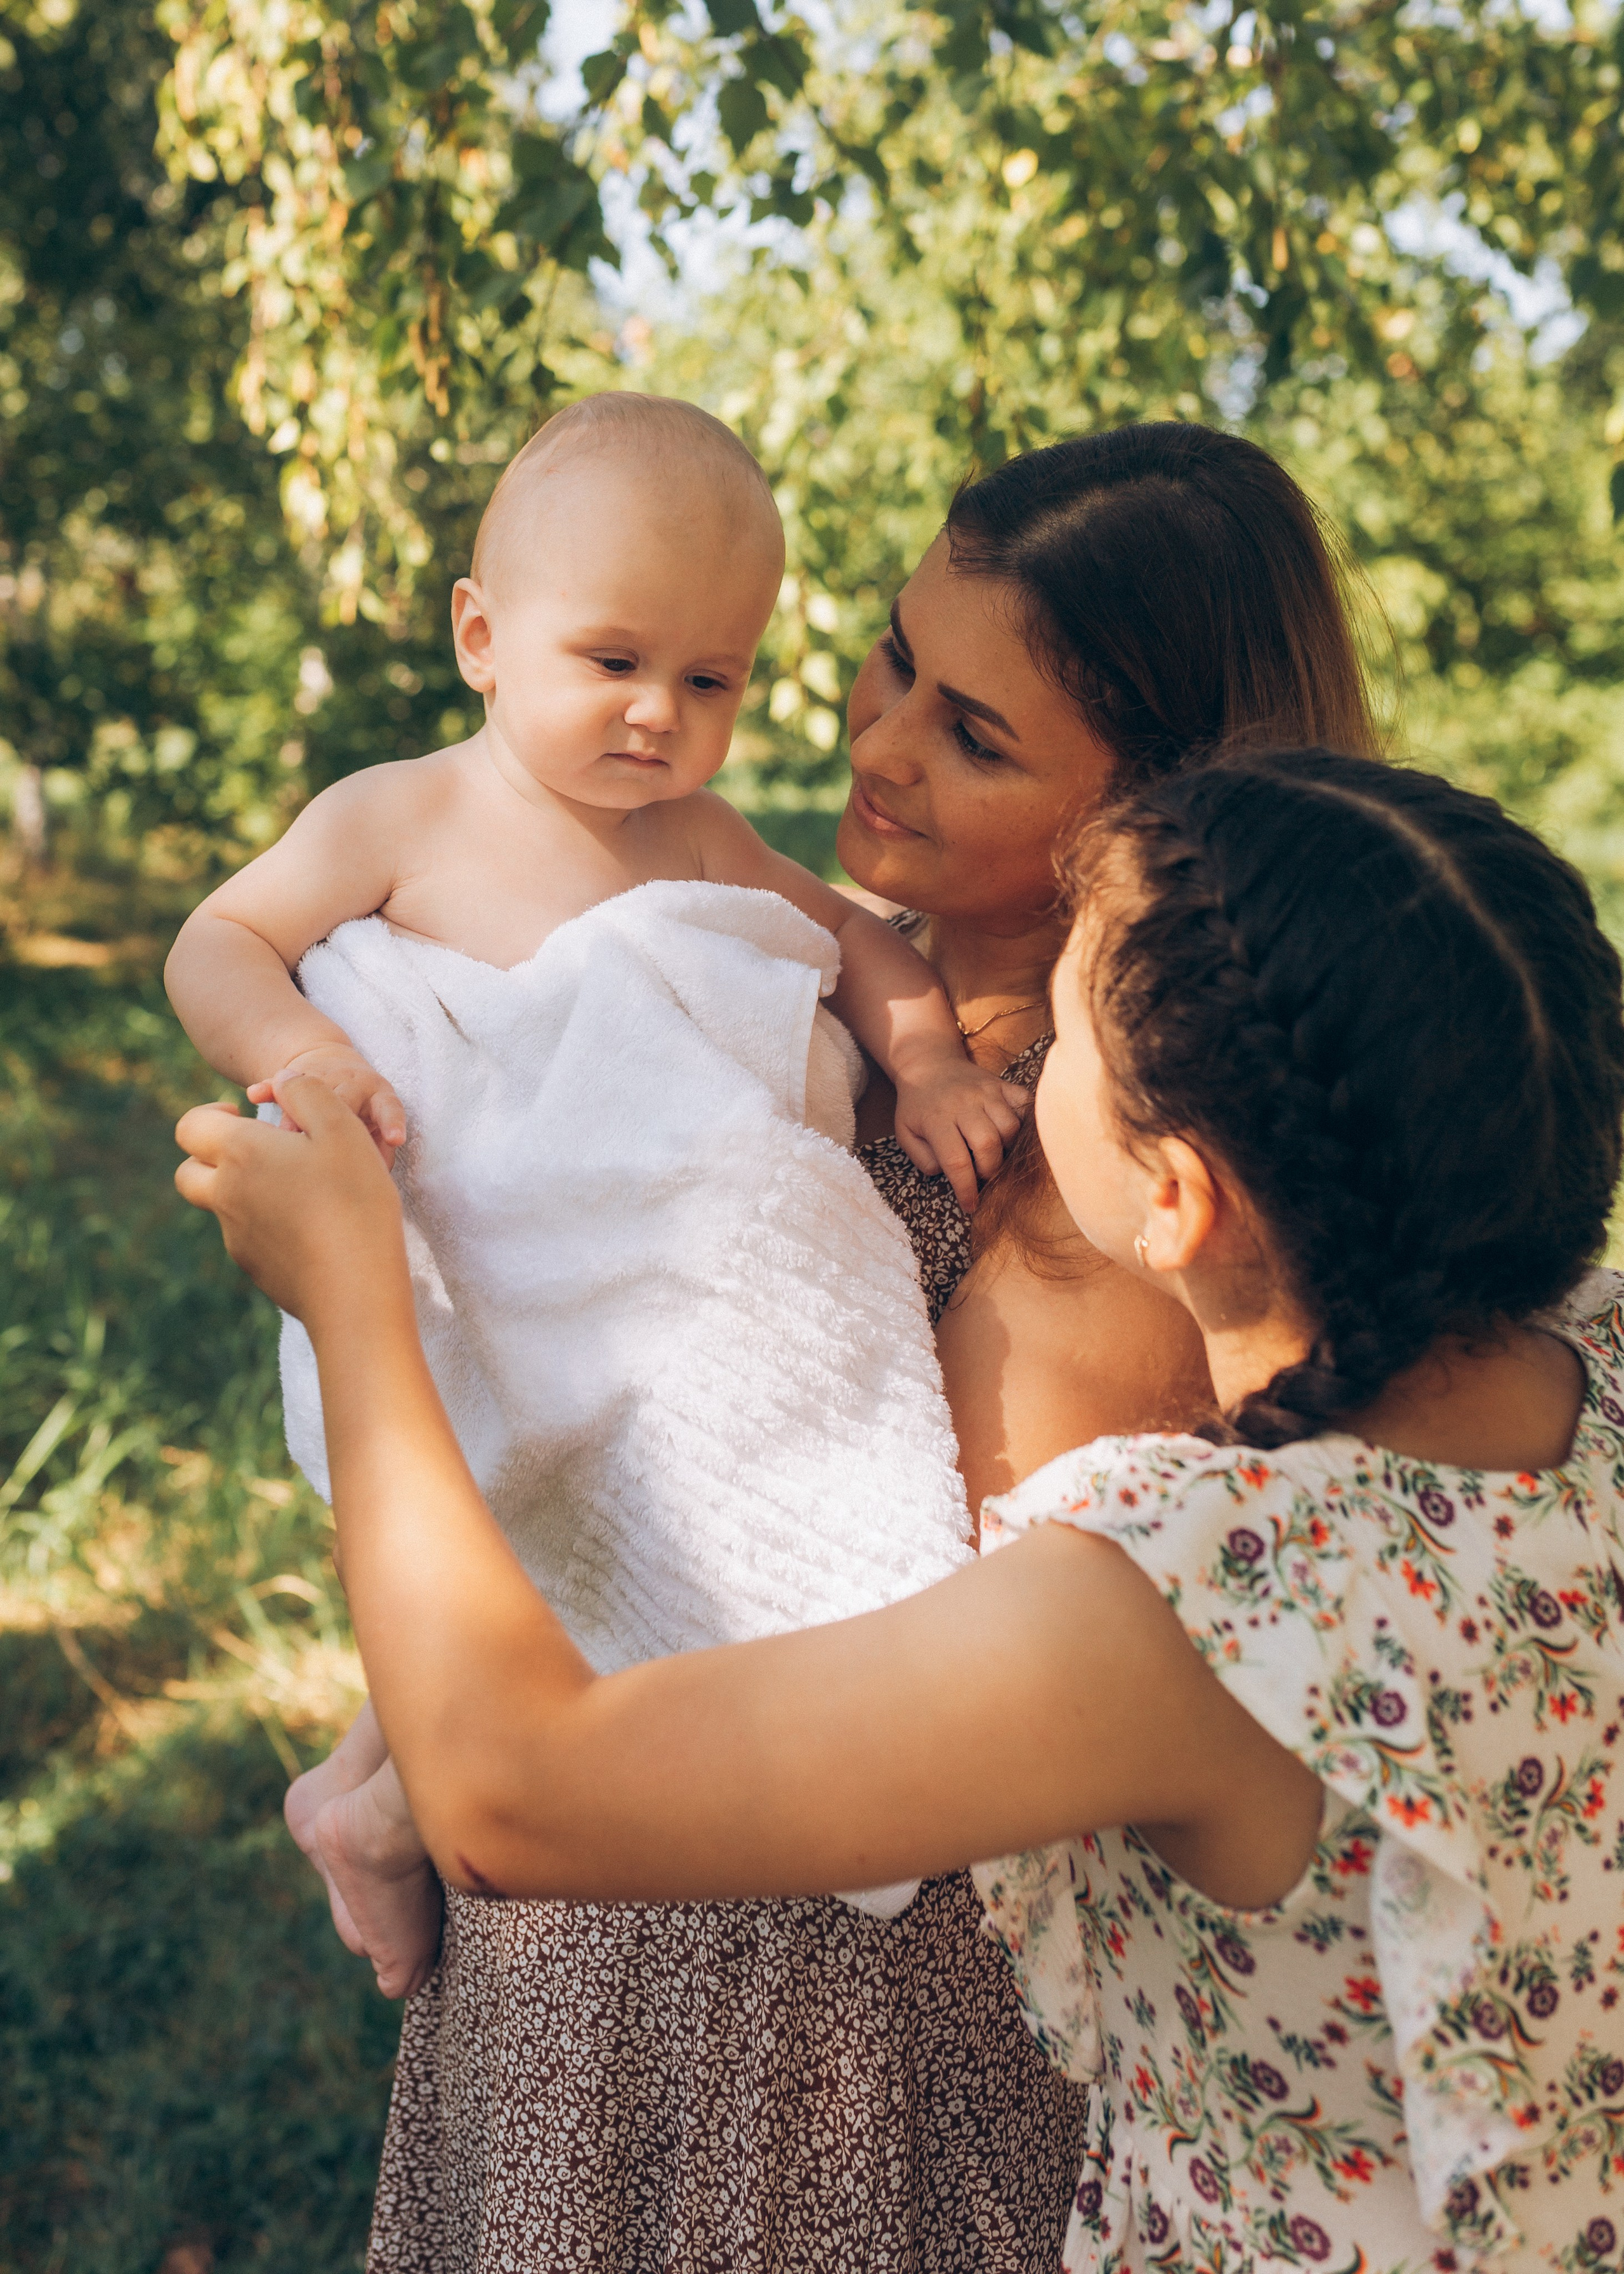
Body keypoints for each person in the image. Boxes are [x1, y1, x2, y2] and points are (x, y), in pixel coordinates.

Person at [177, 747, 1624, 2272]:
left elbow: (507, 1795)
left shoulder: (1192, 1592)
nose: (1029, 1044)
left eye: (1061, 1031)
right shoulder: (1596, 1356)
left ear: (1175, 1196)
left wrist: (356, 1302)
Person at [164, 391, 1019, 1997]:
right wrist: (300, 1050)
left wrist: (926, 1066)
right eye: (612, 660)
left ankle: (366, 1805)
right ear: (483, 636)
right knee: (504, 1528)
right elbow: (215, 939)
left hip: (652, 1286)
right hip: (487, 1256)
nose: (657, 715)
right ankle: (375, 1804)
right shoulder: (400, 813)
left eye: (711, 678)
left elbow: (852, 944)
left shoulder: (697, 834)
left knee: (588, 1536)